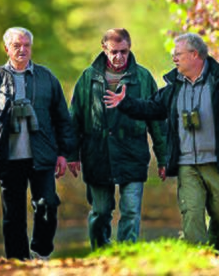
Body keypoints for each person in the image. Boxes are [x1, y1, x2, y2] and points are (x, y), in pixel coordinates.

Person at [104, 33, 219, 253]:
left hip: (218, 163)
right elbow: (151, 108)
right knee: (192, 214)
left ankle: (213, 254)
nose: (174, 58)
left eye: (178, 54)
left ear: (194, 55)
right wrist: (125, 103)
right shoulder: (174, 86)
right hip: (187, 164)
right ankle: (199, 261)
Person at [68, 28, 168, 250]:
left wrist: (163, 157)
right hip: (97, 153)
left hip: (132, 152)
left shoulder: (142, 77)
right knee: (101, 212)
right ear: (104, 49)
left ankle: (127, 255)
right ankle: (101, 254)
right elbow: (75, 118)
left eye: (124, 51)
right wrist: (71, 154)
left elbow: (157, 120)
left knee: (131, 210)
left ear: (130, 48)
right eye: (114, 52)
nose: (119, 57)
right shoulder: (88, 77)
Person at [0, 27, 76, 261]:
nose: (22, 50)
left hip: (42, 155)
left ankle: (41, 250)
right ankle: (18, 262)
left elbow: (62, 118)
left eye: (26, 45)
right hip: (7, 156)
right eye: (17, 45)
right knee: (13, 215)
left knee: (48, 205)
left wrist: (64, 153)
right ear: (7, 48)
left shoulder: (47, 77)